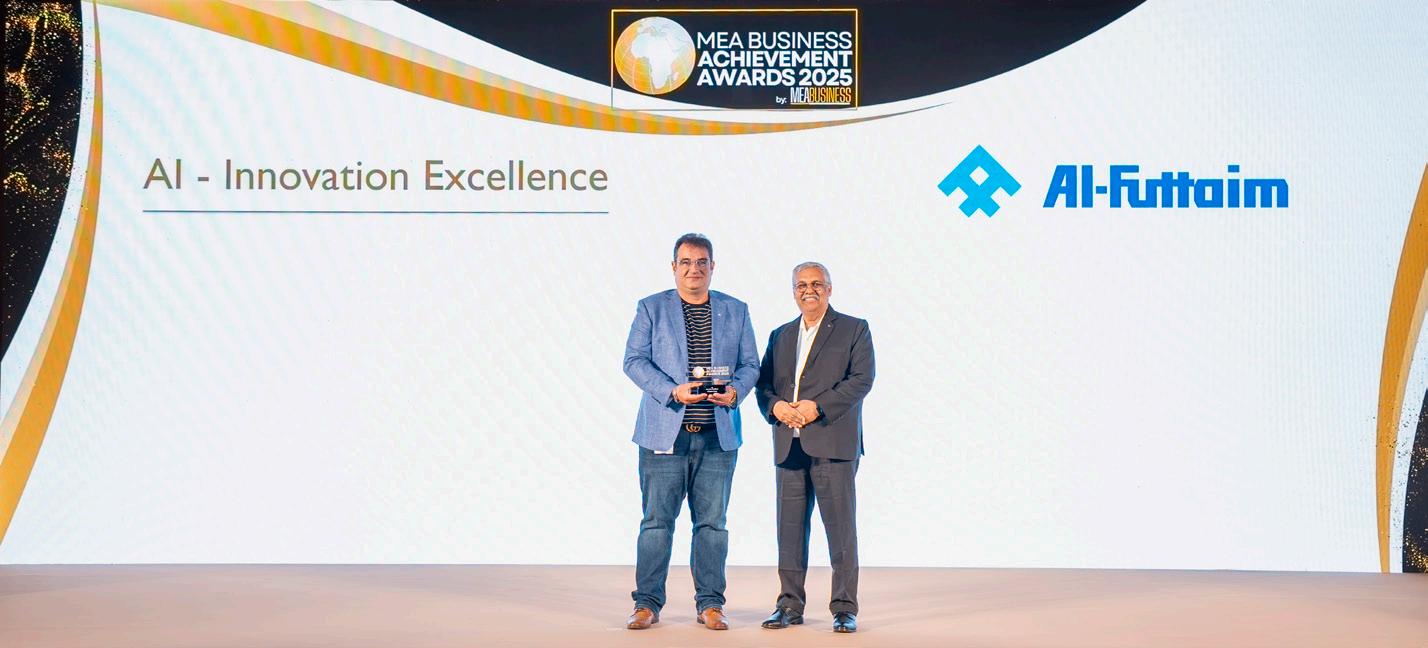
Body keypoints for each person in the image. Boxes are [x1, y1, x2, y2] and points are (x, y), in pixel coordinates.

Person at [622, 233, 760, 631]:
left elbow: (750, 365)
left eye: (701, 262)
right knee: (656, 523)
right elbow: (633, 360)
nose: (693, 269)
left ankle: (711, 604)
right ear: (673, 267)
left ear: (712, 267)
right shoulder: (651, 308)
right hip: (665, 434)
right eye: (685, 262)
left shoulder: (736, 310)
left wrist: (735, 393)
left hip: (717, 436)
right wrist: (672, 391)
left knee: (712, 525)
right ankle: (646, 604)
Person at [755, 261, 875, 634]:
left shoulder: (854, 328)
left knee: (840, 531)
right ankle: (789, 605)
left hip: (832, 445)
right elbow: (763, 385)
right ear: (794, 291)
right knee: (789, 532)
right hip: (788, 446)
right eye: (802, 285)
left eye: (816, 284)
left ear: (829, 289)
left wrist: (817, 407)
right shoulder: (780, 334)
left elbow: (862, 379)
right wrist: (775, 407)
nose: (809, 290)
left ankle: (844, 608)